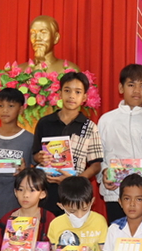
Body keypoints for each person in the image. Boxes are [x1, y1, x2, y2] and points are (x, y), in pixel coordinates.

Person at [98, 64, 142, 225]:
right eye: (131, 85)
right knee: (118, 237)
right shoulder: (106, 120)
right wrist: (104, 171)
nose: (137, 91)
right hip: (116, 194)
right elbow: (97, 155)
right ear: (120, 88)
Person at [33, 71, 103, 215]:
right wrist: (39, 157)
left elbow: (96, 164)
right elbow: (35, 155)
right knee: (48, 225)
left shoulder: (90, 127)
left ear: (84, 97)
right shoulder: (45, 123)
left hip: (75, 194)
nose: (72, 96)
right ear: (59, 93)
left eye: (77, 92)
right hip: (47, 191)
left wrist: (75, 180)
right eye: (67, 90)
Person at [0, 87, 34, 218]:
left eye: (11, 106)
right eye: (1, 106)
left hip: (18, 203)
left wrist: (25, 171)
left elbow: (37, 172)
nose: (5, 110)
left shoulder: (29, 139)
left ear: (21, 109)